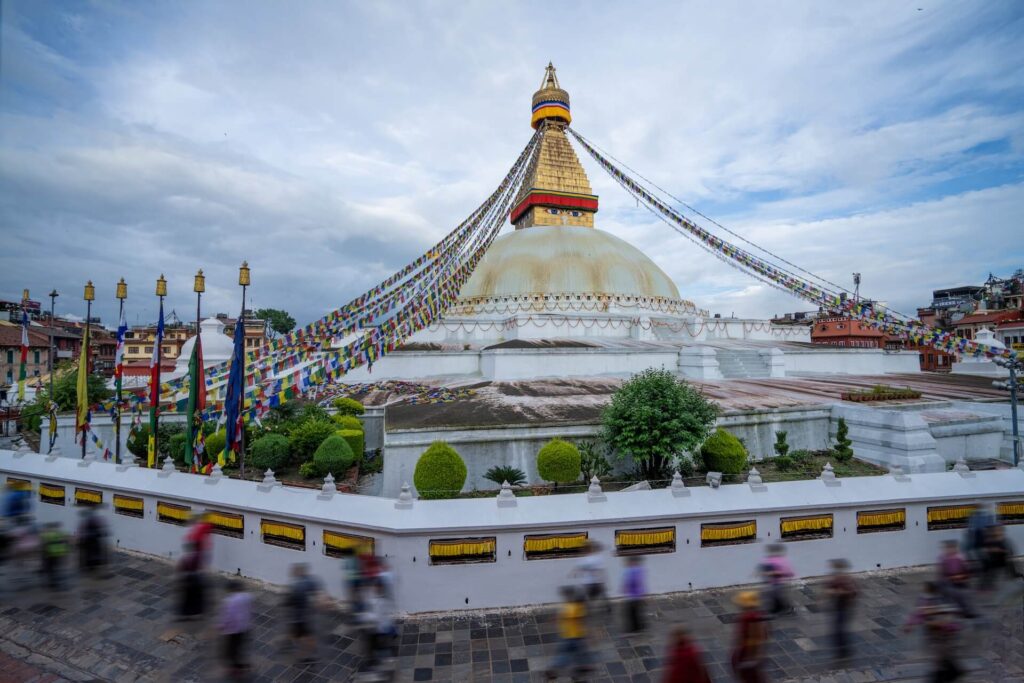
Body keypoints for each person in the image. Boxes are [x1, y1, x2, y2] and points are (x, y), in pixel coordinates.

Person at [904, 581, 963, 682]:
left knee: (941, 654)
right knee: (941, 654)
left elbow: (950, 616)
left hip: (944, 633)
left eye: (927, 590)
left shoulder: (941, 600)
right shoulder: (924, 599)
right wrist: (910, 624)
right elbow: (918, 613)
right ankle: (948, 670)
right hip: (934, 633)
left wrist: (946, 625)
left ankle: (942, 674)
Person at [546, 586, 591, 680]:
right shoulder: (577, 609)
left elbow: (563, 617)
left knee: (571, 654)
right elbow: (577, 618)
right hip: (574, 637)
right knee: (570, 655)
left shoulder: (568, 606)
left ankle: (576, 671)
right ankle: (572, 672)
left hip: (567, 635)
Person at [286, 563, 323, 663]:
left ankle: (310, 654)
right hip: (305, 615)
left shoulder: (299, 585)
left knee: (305, 635)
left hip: (301, 617)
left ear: (299, 572)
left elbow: (292, 600)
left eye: (295, 571)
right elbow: (318, 592)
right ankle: (295, 645)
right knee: (301, 634)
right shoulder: (310, 580)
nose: (293, 573)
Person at [219, 579, 253, 680]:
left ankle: (238, 669)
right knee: (239, 648)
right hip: (246, 627)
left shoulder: (230, 601)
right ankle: (242, 666)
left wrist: (221, 626)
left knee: (231, 651)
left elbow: (228, 617)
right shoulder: (247, 596)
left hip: (234, 631)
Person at [731, 590, 767, 683]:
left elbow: (755, 638)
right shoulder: (755, 616)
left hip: (747, 653)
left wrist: (750, 658)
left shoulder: (751, 618)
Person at [824, 558, 858, 660]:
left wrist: (837, 592)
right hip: (839, 606)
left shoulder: (845, 579)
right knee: (838, 630)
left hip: (844, 607)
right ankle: (843, 650)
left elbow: (853, 592)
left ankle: (844, 651)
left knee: (838, 630)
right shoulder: (836, 577)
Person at [936, 540, 975, 619]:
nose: (951, 550)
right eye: (949, 548)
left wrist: (961, 577)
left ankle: (967, 611)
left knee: (965, 593)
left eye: (953, 548)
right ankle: (962, 610)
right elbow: (942, 574)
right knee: (956, 593)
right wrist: (952, 578)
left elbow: (966, 571)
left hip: (959, 581)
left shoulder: (960, 558)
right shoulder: (943, 559)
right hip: (947, 582)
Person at [572, 541, 609, 615]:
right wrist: (603, 579)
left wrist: (574, 573)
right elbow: (600, 570)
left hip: (588, 582)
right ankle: (607, 607)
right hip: (595, 581)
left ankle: (584, 610)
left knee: (586, 596)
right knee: (599, 595)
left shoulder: (585, 560)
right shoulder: (596, 558)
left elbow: (577, 569)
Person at [760, 543, 795, 616]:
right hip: (773, 582)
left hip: (780, 582)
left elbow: (788, 572)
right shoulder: (769, 560)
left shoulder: (781, 560)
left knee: (779, 596)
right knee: (774, 595)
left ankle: (787, 608)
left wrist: (774, 573)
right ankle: (777, 609)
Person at [176, 541, 206, 620]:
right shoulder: (197, 557)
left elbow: (180, 569)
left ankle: (186, 613)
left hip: (188, 581)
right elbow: (200, 568)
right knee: (196, 598)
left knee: (188, 598)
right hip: (195, 580)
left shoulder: (184, 559)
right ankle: (197, 613)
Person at [76, 506, 108, 576]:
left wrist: (79, 539)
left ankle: (87, 566)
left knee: (87, 554)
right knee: (90, 553)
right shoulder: (95, 520)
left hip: (87, 540)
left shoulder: (85, 521)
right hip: (92, 540)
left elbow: (81, 532)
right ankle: (90, 566)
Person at [39, 522, 69, 591]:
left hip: (50, 553)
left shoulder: (46, 534)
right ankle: (57, 581)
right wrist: (66, 552)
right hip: (60, 553)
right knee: (57, 567)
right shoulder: (62, 533)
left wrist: (44, 554)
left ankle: (53, 583)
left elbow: (44, 545)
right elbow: (66, 543)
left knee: (50, 568)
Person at [622, 555, 647, 633]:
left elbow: (633, 581)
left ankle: (635, 627)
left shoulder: (632, 570)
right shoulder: (639, 569)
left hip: (633, 595)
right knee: (636, 611)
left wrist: (626, 587)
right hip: (638, 594)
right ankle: (640, 626)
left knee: (631, 612)